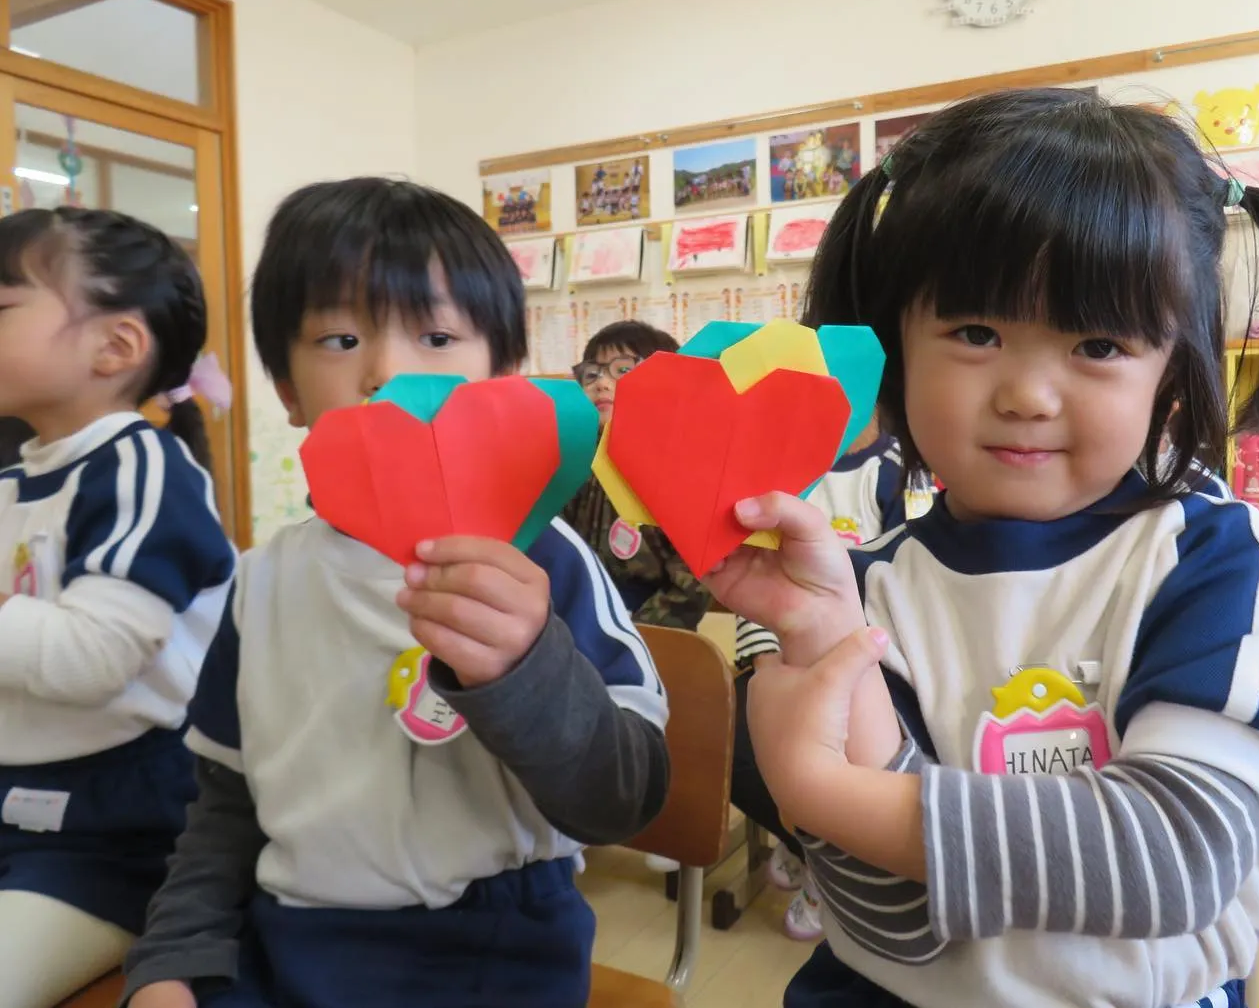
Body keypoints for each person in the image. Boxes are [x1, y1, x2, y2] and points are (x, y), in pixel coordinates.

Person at [705, 89, 1259, 1008]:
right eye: (975, 332)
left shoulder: (1212, 558)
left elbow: (1172, 858)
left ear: (1175, 370)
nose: (1029, 395)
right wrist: (813, 651)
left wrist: (820, 788)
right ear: (893, 350)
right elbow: (895, 928)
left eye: (1096, 342)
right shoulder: (869, 582)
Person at [122, 179, 669, 1008]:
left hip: (496, 949)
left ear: (502, 380)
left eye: (437, 334)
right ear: (289, 391)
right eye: (341, 338)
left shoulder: (543, 562)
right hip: (290, 942)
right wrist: (171, 959)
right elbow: (225, 810)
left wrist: (525, 666)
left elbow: (625, 795)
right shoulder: (263, 580)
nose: (385, 371)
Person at [0, 207, 235, 1008]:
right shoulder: (16, 477)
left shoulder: (140, 466)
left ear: (116, 346)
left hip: (117, 832)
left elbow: (90, 657)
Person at [730, 416, 931, 941]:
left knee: (844, 753)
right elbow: (749, 574)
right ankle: (809, 844)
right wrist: (763, 663)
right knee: (737, 739)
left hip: (868, 665)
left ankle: (829, 859)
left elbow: (909, 577)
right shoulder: (774, 476)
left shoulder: (894, 473)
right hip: (782, 656)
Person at [564, 320, 713, 633]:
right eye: (592, 373)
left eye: (623, 371)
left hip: (652, 634)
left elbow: (693, 582)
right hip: (580, 623)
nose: (601, 383)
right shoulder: (578, 462)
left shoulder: (683, 471)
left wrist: (631, 634)